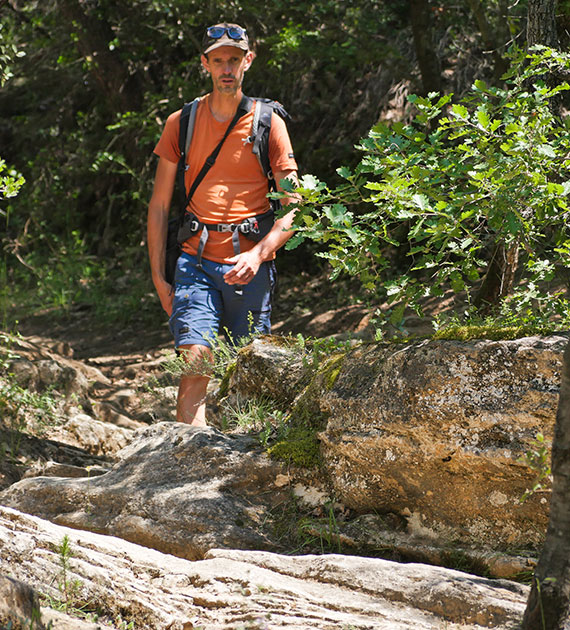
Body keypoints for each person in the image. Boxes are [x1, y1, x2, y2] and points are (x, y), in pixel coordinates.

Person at [147, 22, 298, 427]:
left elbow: (296, 206)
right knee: (197, 360)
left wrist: (259, 253)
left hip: (249, 268)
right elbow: (160, 205)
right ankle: (186, 463)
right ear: (205, 64)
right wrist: (159, 278)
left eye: (235, 59)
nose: (227, 68)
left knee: (247, 372)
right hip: (194, 262)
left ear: (248, 61)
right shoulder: (182, 122)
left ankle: (243, 467)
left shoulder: (269, 123)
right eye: (218, 60)